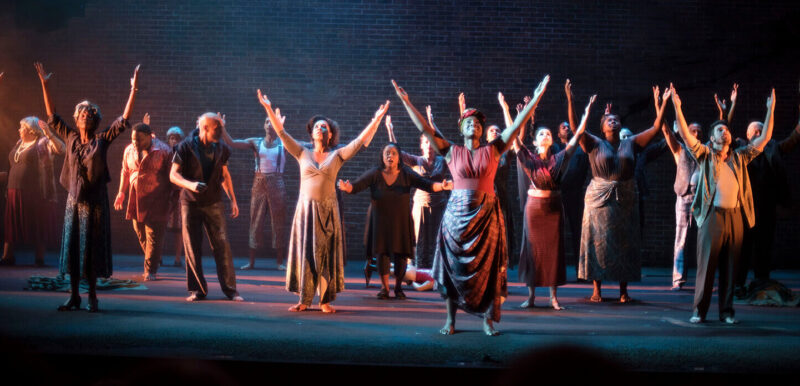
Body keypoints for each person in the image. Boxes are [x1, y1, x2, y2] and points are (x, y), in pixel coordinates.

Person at [392, 75, 549, 336]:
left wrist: (536, 98)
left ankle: (487, 320)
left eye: (477, 123)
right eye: (469, 122)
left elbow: (518, 123)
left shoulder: (495, 149)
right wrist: (406, 101)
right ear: (461, 126)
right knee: (454, 267)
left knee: (487, 268)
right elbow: (425, 129)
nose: (473, 126)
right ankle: (450, 320)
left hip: (487, 214)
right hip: (456, 215)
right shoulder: (451, 151)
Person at [257, 89, 388, 313]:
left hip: (328, 210)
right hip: (306, 210)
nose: (320, 128)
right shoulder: (301, 152)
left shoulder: (337, 155)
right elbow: (281, 133)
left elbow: (359, 142)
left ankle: (324, 300)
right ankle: (304, 299)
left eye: (324, 126)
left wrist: (376, 119)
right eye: (317, 126)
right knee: (306, 252)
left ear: (330, 134)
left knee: (325, 255)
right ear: (312, 132)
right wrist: (267, 107)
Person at [35, 62, 139, 312]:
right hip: (74, 200)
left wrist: (133, 90)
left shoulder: (102, 140)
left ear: (95, 120)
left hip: (95, 203)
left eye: (90, 113)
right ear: (76, 118)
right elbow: (52, 117)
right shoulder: (70, 137)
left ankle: (92, 295)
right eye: (82, 113)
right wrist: (45, 85)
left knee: (90, 247)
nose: (86, 115)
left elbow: (123, 121)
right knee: (72, 246)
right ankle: (74, 295)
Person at [671, 85, 775, 324]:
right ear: (712, 137)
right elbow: (687, 137)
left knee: (731, 268)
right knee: (707, 266)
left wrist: (770, 109)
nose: (725, 132)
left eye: (726, 130)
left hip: (735, 215)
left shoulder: (740, 156)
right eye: (720, 130)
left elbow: (765, 137)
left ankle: (727, 312)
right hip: (712, 216)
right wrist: (677, 107)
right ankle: (699, 310)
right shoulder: (705, 154)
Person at [575, 84, 671, 303]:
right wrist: (578, 106)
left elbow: (656, 128)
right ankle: (596, 289)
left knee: (625, 241)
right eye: (609, 119)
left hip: (625, 196)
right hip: (599, 197)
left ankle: (623, 290)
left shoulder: (632, 142)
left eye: (616, 119)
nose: (613, 121)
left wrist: (661, 103)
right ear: (602, 127)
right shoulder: (594, 143)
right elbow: (576, 129)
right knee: (597, 241)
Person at [512, 95, 595, 310]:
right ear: (535, 140)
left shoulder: (558, 158)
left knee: (553, 252)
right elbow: (513, 137)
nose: (545, 135)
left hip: (553, 209)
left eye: (548, 133)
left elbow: (577, 137)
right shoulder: (529, 158)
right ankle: (531, 296)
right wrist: (510, 109)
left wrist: (586, 114)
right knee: (533, 251)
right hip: (534, 210)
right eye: (541, 133)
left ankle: (553, 297)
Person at [339, 142, 451, 299]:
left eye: (393, 153)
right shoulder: (375, 173)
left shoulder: (406, 174)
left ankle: (398, 287)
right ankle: (384, 288)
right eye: (386, 153)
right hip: (380, 221)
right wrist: (347, 187)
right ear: (382, 156)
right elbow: (357, 186)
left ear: (399, 157)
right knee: (382, 254)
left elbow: (427, 185)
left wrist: (443, 186)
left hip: (401, 221)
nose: (389, 156)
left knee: (401, 255)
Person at [170, 112, 243, 302]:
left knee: (222, 245)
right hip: (190, 203)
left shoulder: (222, 148)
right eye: (217, 128)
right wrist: (191, 185)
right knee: (192, 247)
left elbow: (224, 176)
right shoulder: (184, 147)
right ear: (205, 128)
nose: (220, 132)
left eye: (221, 128)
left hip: (213, 202)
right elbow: (173, 175)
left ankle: (231, 290)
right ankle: (197, 290)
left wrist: (233, 199)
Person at [734, 105, 800, 296]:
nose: (758, 132)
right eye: (755, 130)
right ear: (748, 135)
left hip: (766, 208)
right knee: (743, 248)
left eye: (761, 130)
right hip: (745, 209)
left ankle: (761, 281)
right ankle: (738, 283)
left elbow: (793, 139)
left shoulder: (774, 149)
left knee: (764, 246)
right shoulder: (740, 149)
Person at [222, 113, 290, 272]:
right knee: (255, 221)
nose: (269, 124)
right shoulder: (256, 142)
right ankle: (251, 261)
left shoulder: (285, 143)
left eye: (273, 122)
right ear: (264, 125)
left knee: (279, 222)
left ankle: (280, 262)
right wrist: (223, 127)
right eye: (267, 121)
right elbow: (232, 142)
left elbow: (305, 145)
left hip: (277, 183)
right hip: (258, 183)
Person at [386, 115, 449, 272]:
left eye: (431, 142)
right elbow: (398, 152)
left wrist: (433, 125)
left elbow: (447, 146)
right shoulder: (416, 160)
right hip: (420, 203)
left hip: (439, 204)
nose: (428, 146)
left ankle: (436, 272)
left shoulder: (443, 161)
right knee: (419, 238)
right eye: (425, 142)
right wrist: (390, 130)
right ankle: (417, 271)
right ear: (422, 145)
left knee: (437, 238)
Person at [114, 116, 174, 281]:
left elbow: (172, 175)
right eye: (133, 139)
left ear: (149, 136)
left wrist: (171, 198)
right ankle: (154, 257)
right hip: (136, 196)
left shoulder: (163, 150)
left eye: (139, 140)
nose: (135, 143)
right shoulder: (129, 150)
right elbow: (125, 171)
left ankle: (150, 269)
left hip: (157, 197)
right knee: (139, 230)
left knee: (153, 233)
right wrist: (121, 192)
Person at [0, 116, 64, 266]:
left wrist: (49, 133)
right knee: (12, 224)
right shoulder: (19, 143)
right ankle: (8, 257)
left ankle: (39, 259)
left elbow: (62, 149)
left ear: (31, 130)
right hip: (13, 190)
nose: (19, 130)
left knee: (37, 223)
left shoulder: (42, 143)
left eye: (22, 127)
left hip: (34, 192)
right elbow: (15, 166)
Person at [661, 120, 702, 291]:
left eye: (699, 131)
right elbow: (667, 132)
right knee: (681, 238)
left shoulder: (706, 150)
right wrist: (661, 109)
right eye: (693, 130)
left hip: (702, 198)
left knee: (703, 241)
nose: (697, 134)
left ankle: (703, 281)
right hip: (684, 196)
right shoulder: (680, 149)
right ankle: (678, 280)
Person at [165, 126, 185, 267]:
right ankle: (157, 257)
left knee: (179, 229)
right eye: (172, 138)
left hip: (179, 195)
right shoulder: (164, 153)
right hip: (165, 194)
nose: (174, 141)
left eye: (176, 139)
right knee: (160, 227)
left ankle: (178, 258)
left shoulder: (183, 154)